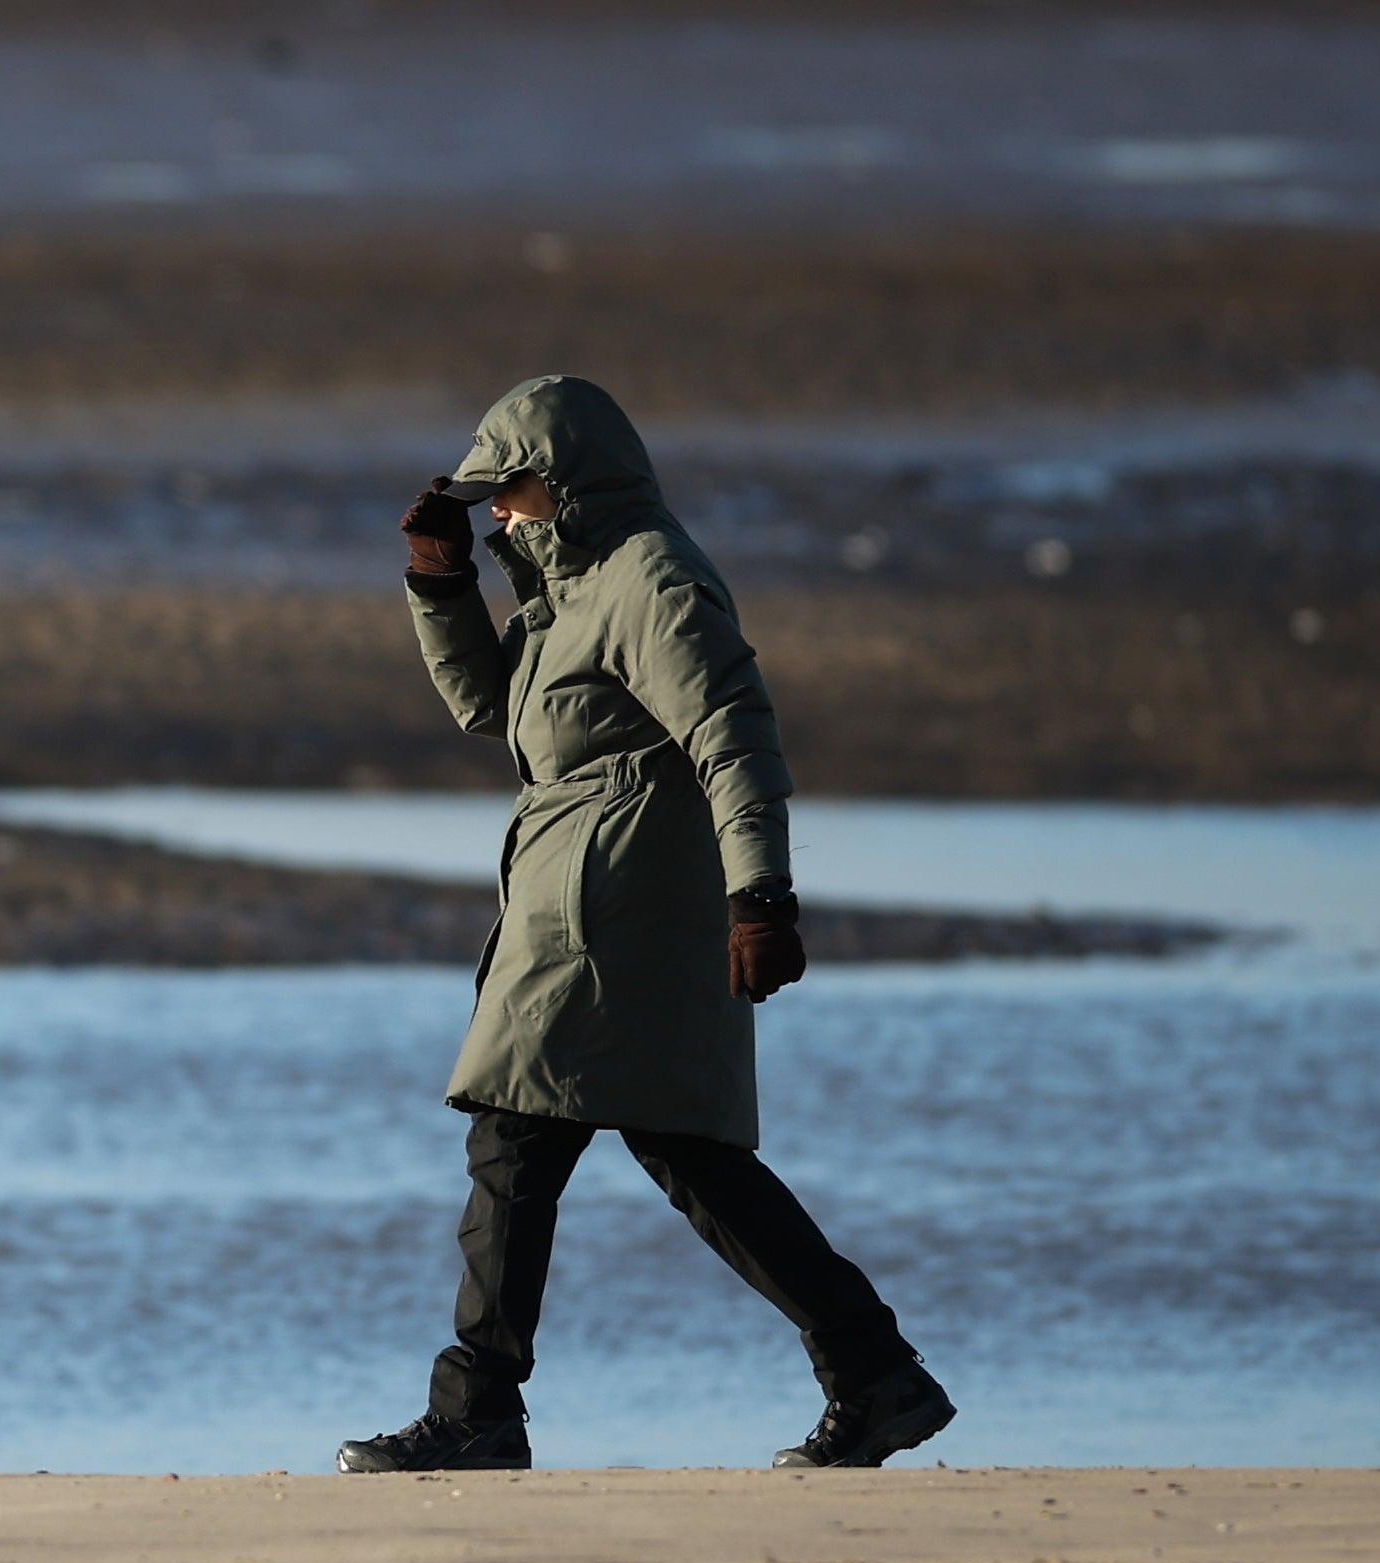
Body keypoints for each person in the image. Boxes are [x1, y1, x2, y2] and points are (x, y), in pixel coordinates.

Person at [335, 375, 953, 1474]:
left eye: (508, 497)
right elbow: (495, 708)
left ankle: (478, 1408)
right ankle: (874, 1374)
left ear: (563, 483)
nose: (498, 516)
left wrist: (761, 897)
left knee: (516, 1137)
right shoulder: (567, 589)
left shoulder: (650, 579)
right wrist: (442, 580)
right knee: (686, 1151)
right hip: (580, 903)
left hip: (616, 916)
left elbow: (734, 733)